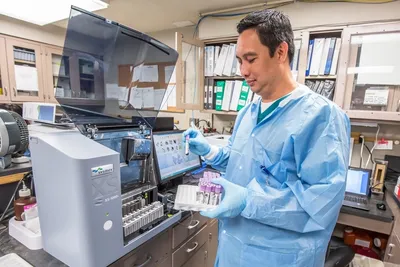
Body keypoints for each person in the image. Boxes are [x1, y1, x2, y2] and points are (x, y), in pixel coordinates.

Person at [183, 9, 350, 267]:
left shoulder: (321, 117)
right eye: (239, 60)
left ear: (281, 52)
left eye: (251, 59)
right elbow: (242, 165)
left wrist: (249, 201)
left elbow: (320, 204)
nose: (243, 70)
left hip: (278, 258)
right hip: (232, 252)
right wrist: (209, 151)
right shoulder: (247, 113)